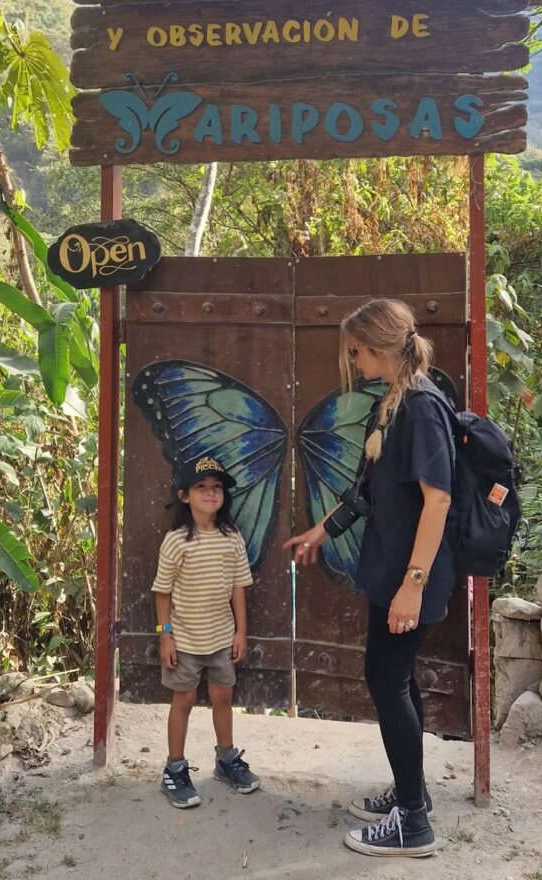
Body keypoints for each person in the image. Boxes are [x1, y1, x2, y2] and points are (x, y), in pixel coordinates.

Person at [284, 298, 455, 858]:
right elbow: (366, 491)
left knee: (386, 680)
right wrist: (320, 532)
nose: (353, 361)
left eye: (356, 350)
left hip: (410, 575)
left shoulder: (422, 407)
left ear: (380, 345)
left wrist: (413, 585)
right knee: (395, 679)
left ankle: (413, 825)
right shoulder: (392, 403)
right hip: (390, 569)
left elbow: (438, 501)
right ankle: (413, 796)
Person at [152, 454, 261, 809]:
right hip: (184, 642)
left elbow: (238, 588)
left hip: (220, 640)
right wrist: (165, 635)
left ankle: (226, 759)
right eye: (201, 487)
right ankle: (174, 769)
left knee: (223, 698)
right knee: (183, 701)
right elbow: (162, 592)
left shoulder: (231, 538)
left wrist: (241, 632)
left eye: (217, 487)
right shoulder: (176, 541)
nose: (211, 493)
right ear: (184, 496)